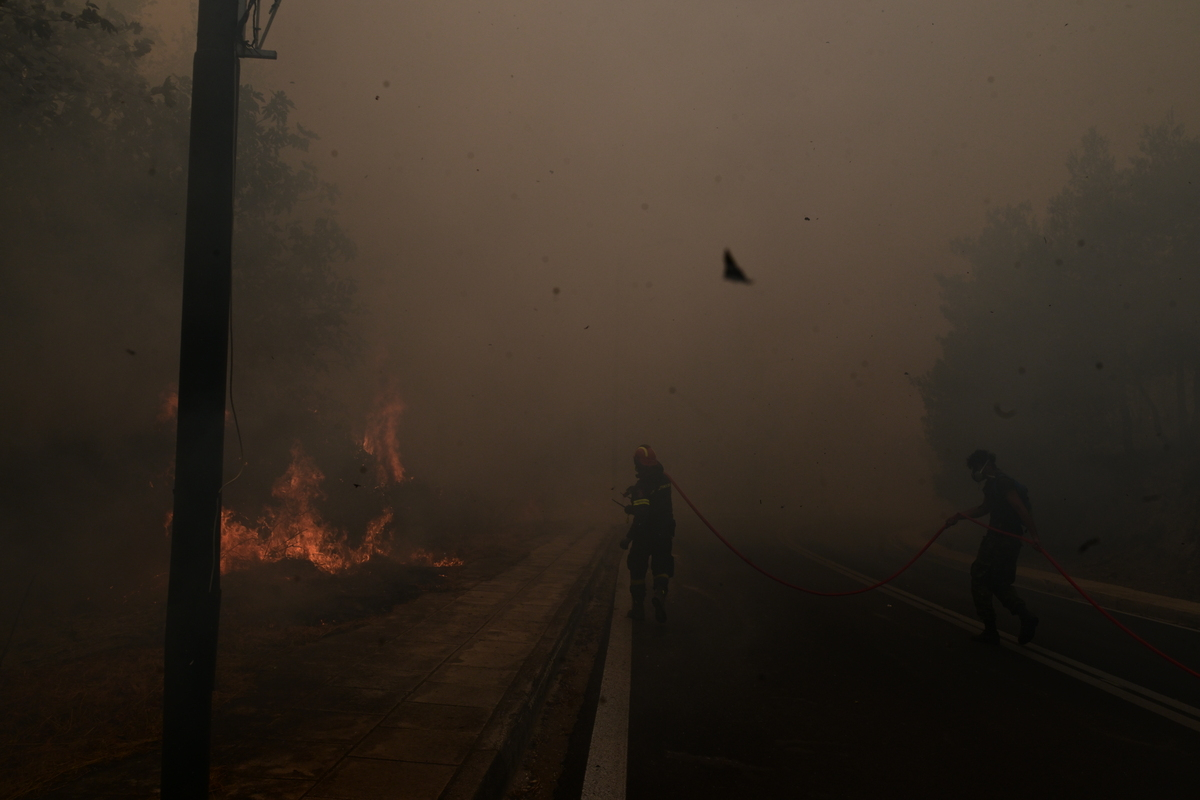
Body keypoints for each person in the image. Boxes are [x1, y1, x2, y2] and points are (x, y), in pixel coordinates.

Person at [945, 449, 1040, 645]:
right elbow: (984, 508)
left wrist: (1035, 536)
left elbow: (1019, 507)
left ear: (987, 464)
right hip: (1006, 541)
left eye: (975, 467)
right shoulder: (992, 485)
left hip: (1000, 540)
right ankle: (1025, 616)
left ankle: (991, 631)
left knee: (979, 578)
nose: (974, 472)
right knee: (999, 583)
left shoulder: (1003, 482)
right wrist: (959, 516)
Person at [620, 445, 676, 623]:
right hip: (664, 532)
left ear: (639, 464)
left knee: (637, 569)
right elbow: (658, 504)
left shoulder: (642, 486)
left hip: (645, 534)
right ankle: (659, 596)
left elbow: (643, 513)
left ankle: (638, 608)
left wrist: (628, 536)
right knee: (662, 568)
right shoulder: (664, 480)